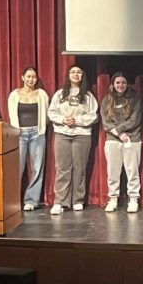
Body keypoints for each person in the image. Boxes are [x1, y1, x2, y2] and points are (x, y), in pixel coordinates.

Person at [47, 65, 97, 215]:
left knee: (79, 168)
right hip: (62, 134)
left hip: (82, 134)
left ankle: (78, 200)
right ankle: (60, 201)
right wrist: (63, 120)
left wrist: (76, 120)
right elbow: (52, 112)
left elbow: (93, 116)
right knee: (62, 168)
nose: (76, 75)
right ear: (68, 75)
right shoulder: (60, 94)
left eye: (79, 72)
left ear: (82, 76)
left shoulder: (88, 96)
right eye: (73, 72)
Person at [7, 66, 49, 211]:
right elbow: (12, 115)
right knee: (17, 168)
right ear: (23, 77)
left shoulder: (41, 94)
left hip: (37, 133)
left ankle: (32, 200)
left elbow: (46, 114)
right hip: (20, 134)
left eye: (34, 77)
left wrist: (41, 129)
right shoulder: (14, 94)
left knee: (37, 168)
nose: (31, 79)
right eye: (29, 76)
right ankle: (12, 200)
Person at [101, 71, 142, 213]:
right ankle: (113, 199)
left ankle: (133, 199)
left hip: (132, 138)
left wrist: (120, 130)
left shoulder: (134, 98)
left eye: (123, 82)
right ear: (113, 84)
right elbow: (106, 121)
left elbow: (135, 119)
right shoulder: (107, 99)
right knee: (113, 171)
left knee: (132, 171)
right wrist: (117, 133)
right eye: (118, 82)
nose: (120, 85)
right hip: (113, 140)